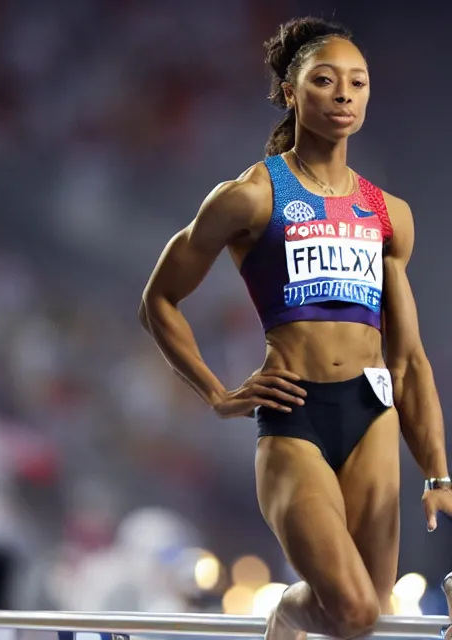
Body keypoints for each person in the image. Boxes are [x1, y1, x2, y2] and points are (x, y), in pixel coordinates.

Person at [139, 16, 452, 640]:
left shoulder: (389, 214)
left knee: (373, 609)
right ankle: (285, 608)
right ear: (291, 91)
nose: (343, 94)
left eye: (357, 83)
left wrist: (438, 472)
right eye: (325, 80)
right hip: (295, 415)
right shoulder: (251, 196)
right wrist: (217, 394)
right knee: (355, 610)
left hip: (372, 409)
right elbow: (159, 301)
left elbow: (409, 359)